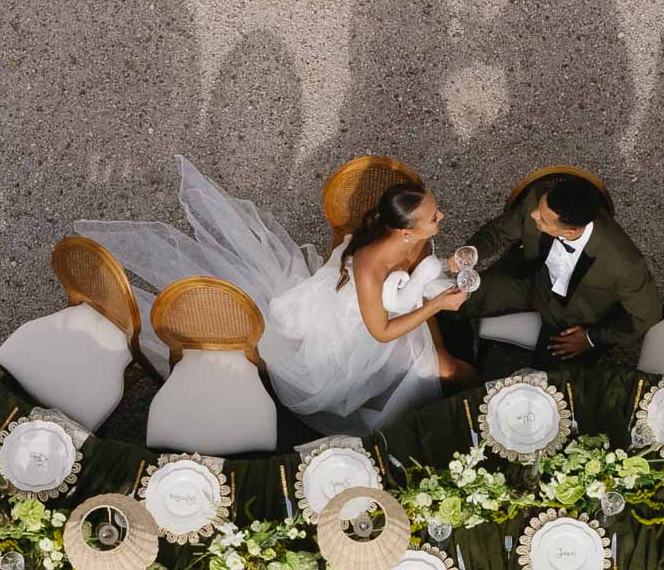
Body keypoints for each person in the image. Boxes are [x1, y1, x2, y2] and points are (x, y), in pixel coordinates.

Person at [75, 158, 471, 437]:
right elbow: (381, 332)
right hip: (362, 336)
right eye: (435, 217)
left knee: (446, 367)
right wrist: (435, 305)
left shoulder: (414, 238)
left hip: (402, 311)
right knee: (447, 371)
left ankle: (464, 390)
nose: (442, 220)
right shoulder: (369, 268)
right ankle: (469, 405)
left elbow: (417, 278)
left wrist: (447, 268)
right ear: (405, 232)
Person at [442, 173, 662, 366]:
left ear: (570, 231)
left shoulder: (625, 263)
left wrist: (592, 338)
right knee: (447, 305)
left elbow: (647, 316)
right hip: (530, 279)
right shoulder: (538, 198)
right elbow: (497, 232)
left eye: (543, 219)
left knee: (549, 390)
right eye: (539, 208)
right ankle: (461, 373)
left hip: (575, 320)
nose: (534, 215)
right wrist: (467, 253)